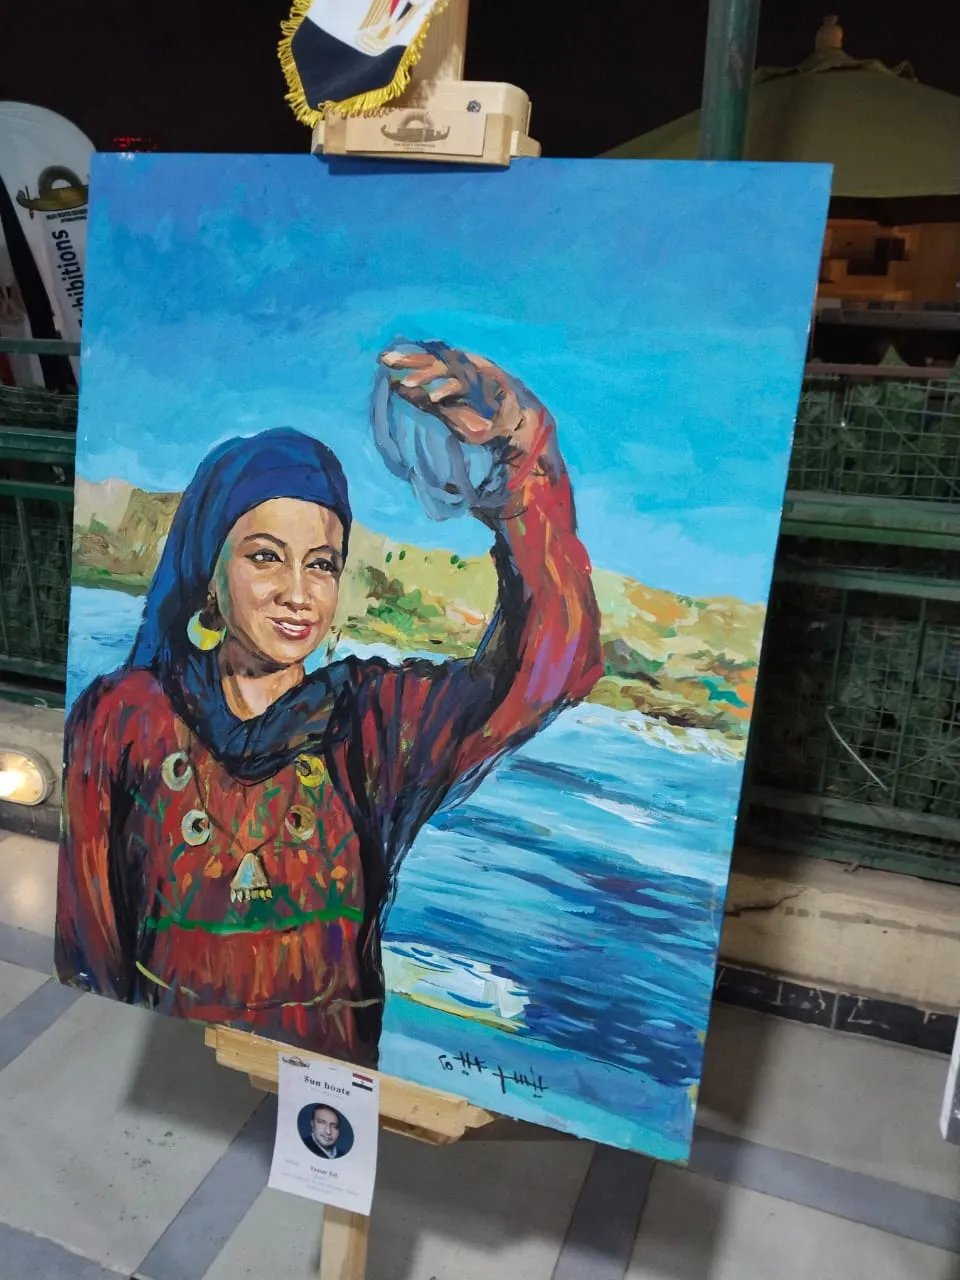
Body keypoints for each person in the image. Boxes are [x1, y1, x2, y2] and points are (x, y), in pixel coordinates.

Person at [55, 339, 602, 1067]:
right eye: (264, 556)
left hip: (329, 1090)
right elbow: (91, 942)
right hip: (169, 1071)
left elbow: (552, 667)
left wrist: (522, 456)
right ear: (208, 567)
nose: (297, 593)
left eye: (322, 565)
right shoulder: (126, 716)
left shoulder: (373, 726)